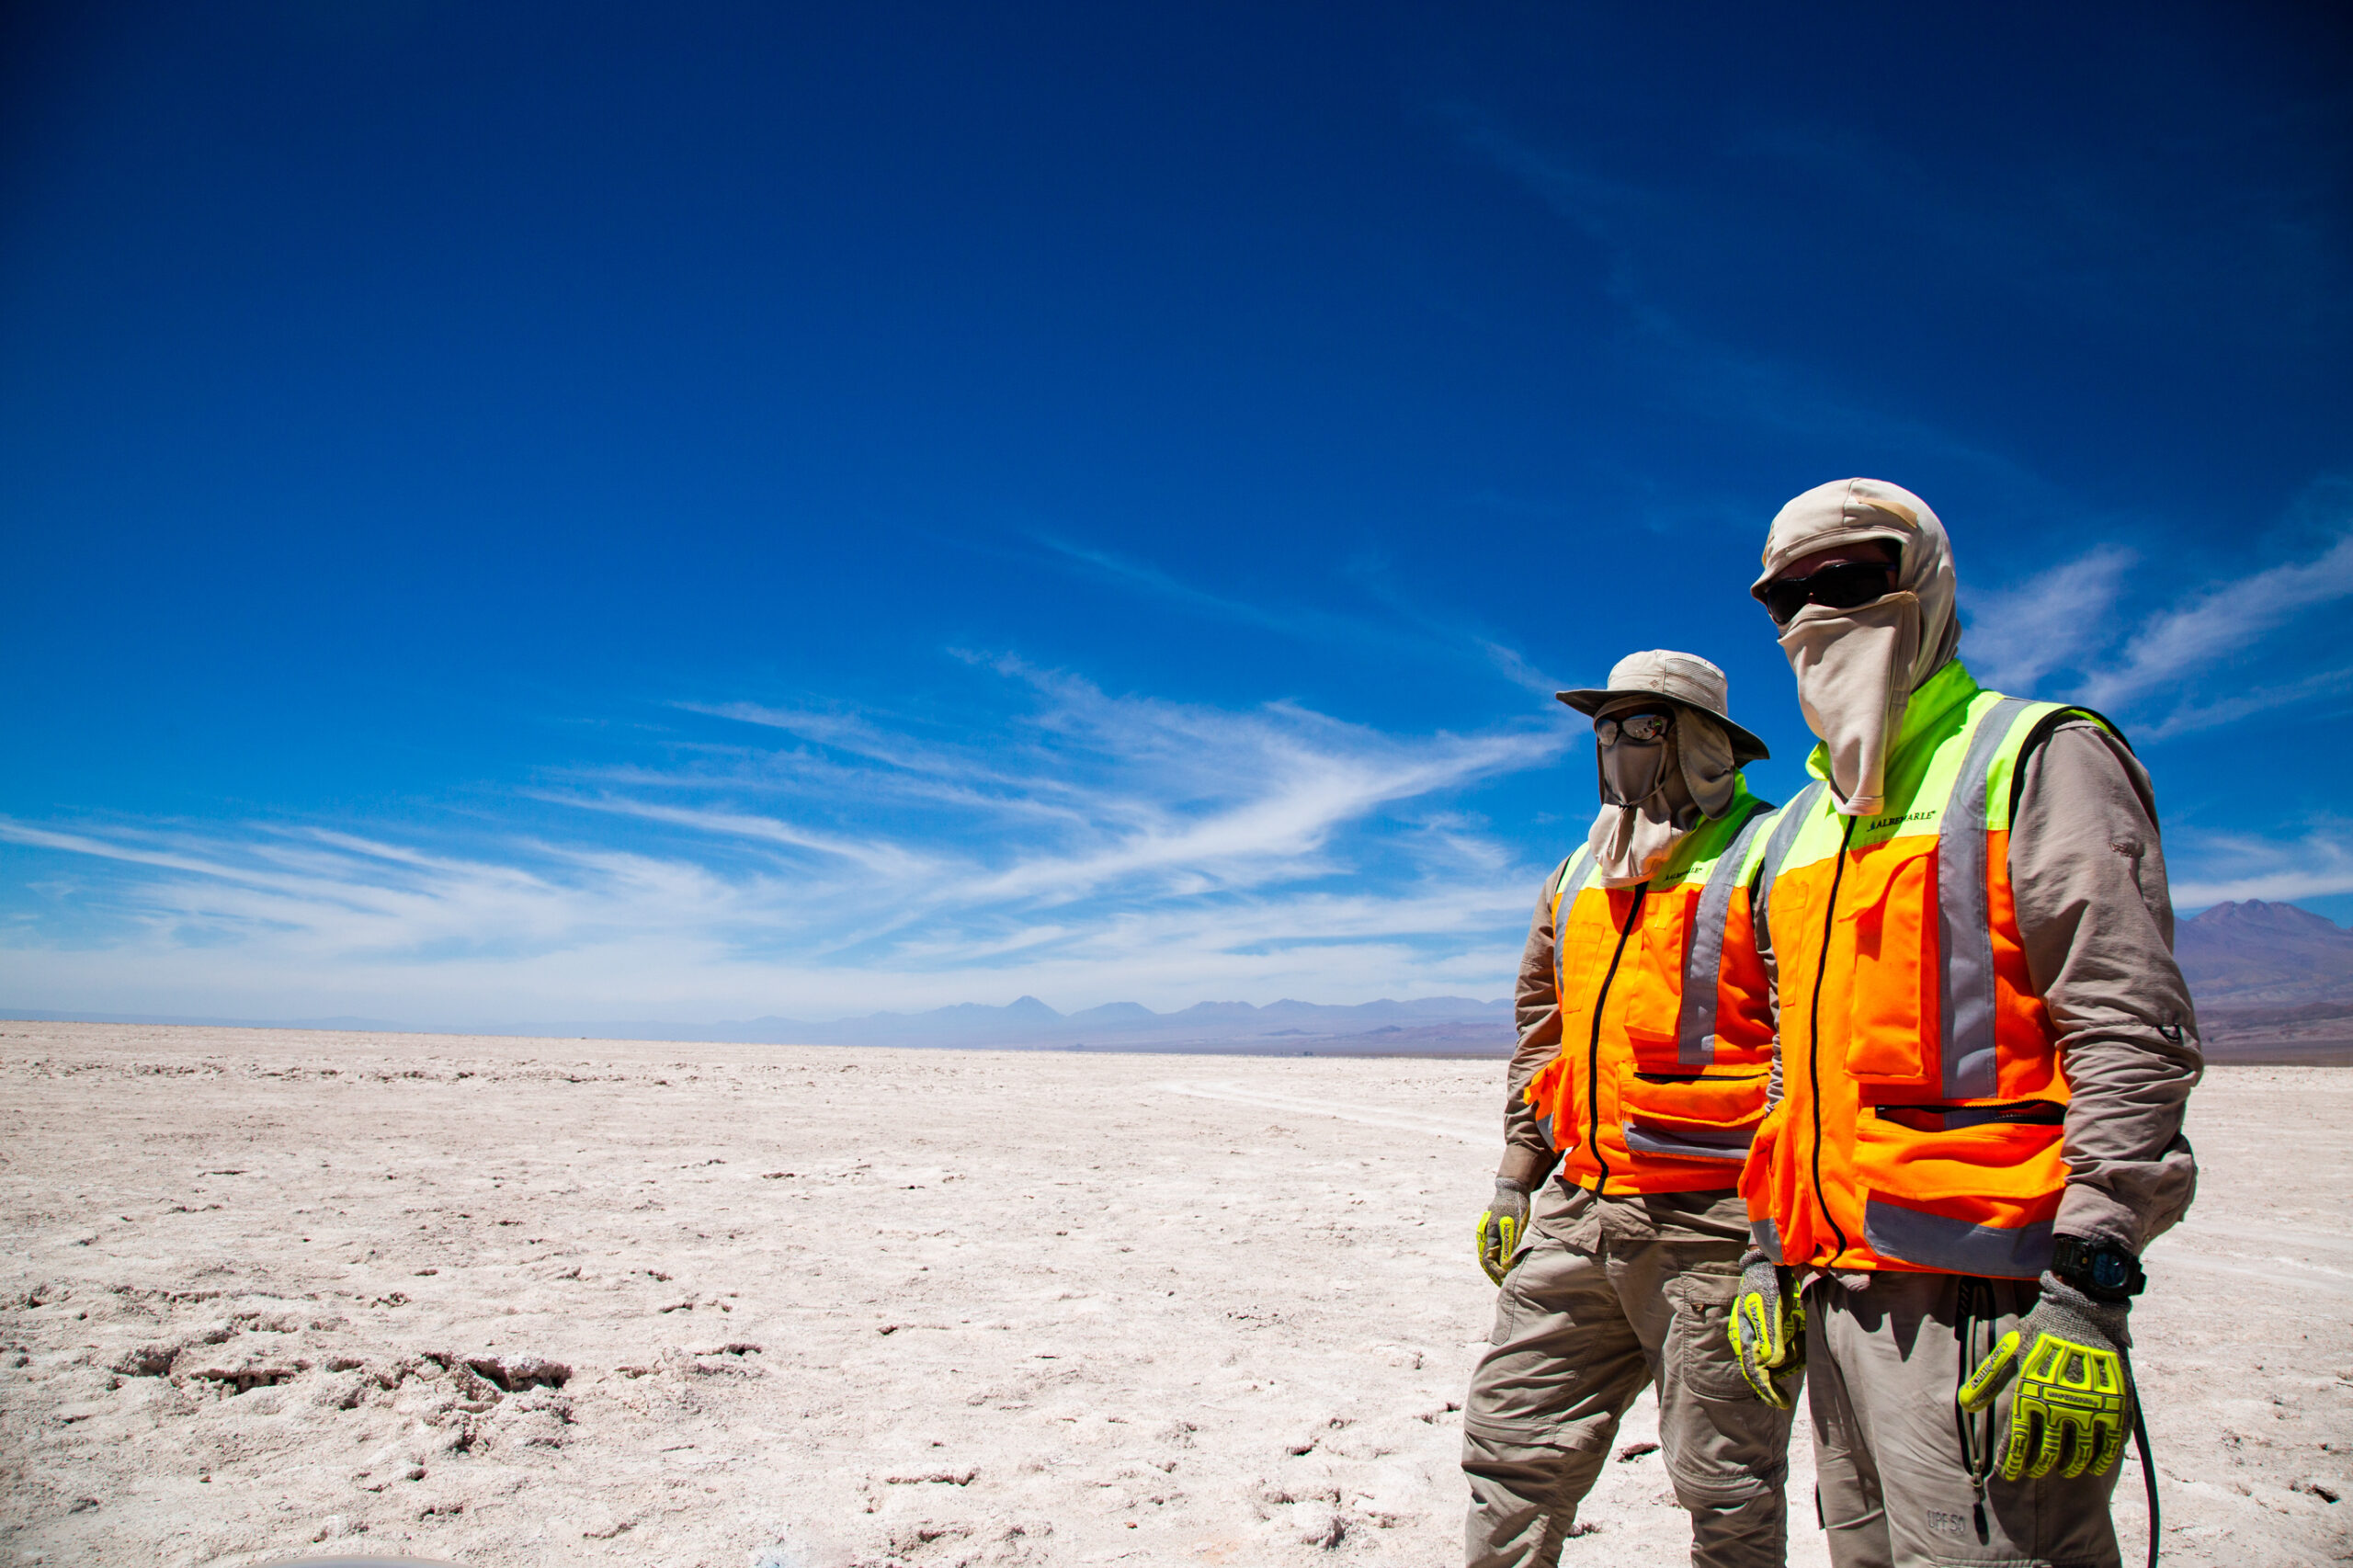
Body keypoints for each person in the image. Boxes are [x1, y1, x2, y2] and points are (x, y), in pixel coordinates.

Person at [1728, 479, 2200, 1568]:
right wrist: (1767, 1251)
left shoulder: (2033, 756)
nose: (1813, 614)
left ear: (1925, 585)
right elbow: (1790, 1065)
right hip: (1830, 1293)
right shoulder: (1801, 826)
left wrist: (2089, 1288)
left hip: (1990, 1306)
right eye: (1782, 596)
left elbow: (2129, 1028)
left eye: (1849, 580)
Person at [1462, 650, 1795, 1568]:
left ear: (1700, 742)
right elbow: (1544, 1029)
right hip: (1580, 1208)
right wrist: (1515, 1176)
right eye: (1603, 730)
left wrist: (1774, 1242)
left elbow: (1806, 1050)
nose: (1614, 748)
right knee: (1511, 1443)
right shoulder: (1575, 871)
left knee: (1723, 1478)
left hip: (1718, 1224)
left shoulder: (1774, 852)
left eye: (1639, 728)